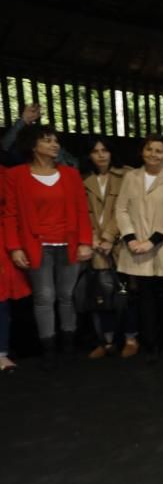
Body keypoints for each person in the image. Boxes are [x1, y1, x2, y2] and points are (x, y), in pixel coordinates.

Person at [4, 125, 93, 364]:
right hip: (37, 245)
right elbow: (10, 214)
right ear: (33, 146)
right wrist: (15, 247)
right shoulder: (16, 176)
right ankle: (49, 349)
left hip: (69, 243)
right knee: (44, 296)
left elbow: (82, 211)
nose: (55, 145)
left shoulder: (70, 174)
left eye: (56, 141)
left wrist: (86, 242)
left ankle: (68, 345)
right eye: (47, 141)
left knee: (66, 295)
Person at [115, 133, 163, 361]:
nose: (153, 154)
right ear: (142, 151)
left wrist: (152, 241)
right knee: (143, 298)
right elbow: (121, 209)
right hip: (135, 248)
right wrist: (130, 238)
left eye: (159, 151)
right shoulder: (131, 176)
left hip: (161, 248)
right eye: (149, 149)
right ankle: (150, 345)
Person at [81, 136, 126, 359]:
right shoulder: (83, 179)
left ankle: (130, 338)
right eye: (95, 151)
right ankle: (105, 341)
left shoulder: (126, 175)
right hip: (94, 245)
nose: (100, 154)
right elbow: (80, 212)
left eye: (104, 150)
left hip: (120, 244)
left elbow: (124, 210)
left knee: (126, 293)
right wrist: (91, 237)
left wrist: (109, 237)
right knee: (99, 294)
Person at [0, 165, 32, 372]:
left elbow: (14, 209)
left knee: (1, 300)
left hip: (4, 240)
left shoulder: (7, 174)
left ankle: (1, 353)